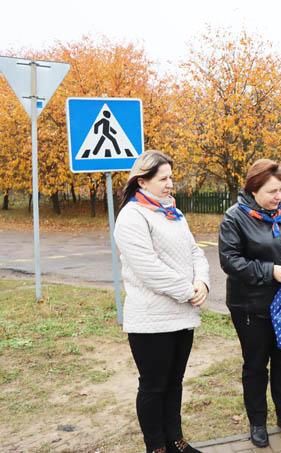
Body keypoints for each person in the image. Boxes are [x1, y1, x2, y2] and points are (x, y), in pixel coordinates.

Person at [114, 150, 210, 453]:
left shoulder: (172, 212)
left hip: (182, 315)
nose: (171, 184)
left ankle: (176, 441)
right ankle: (156, 447)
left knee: (175, 383)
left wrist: (202, 282)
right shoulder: (132, 216)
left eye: (171, 177)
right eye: (164, 178)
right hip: (151, 319)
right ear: (142, 181)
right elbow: (148, 268)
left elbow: (195, 252)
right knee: (154, 386)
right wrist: (187, 290)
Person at [218, 159, 281, 448]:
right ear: (253, 189)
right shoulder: (235, 218)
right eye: (272, 191)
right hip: (251, 307)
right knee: (256, 365)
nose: (278, 197)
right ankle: (257, 422)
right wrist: (269, 270)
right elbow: (230, 261)